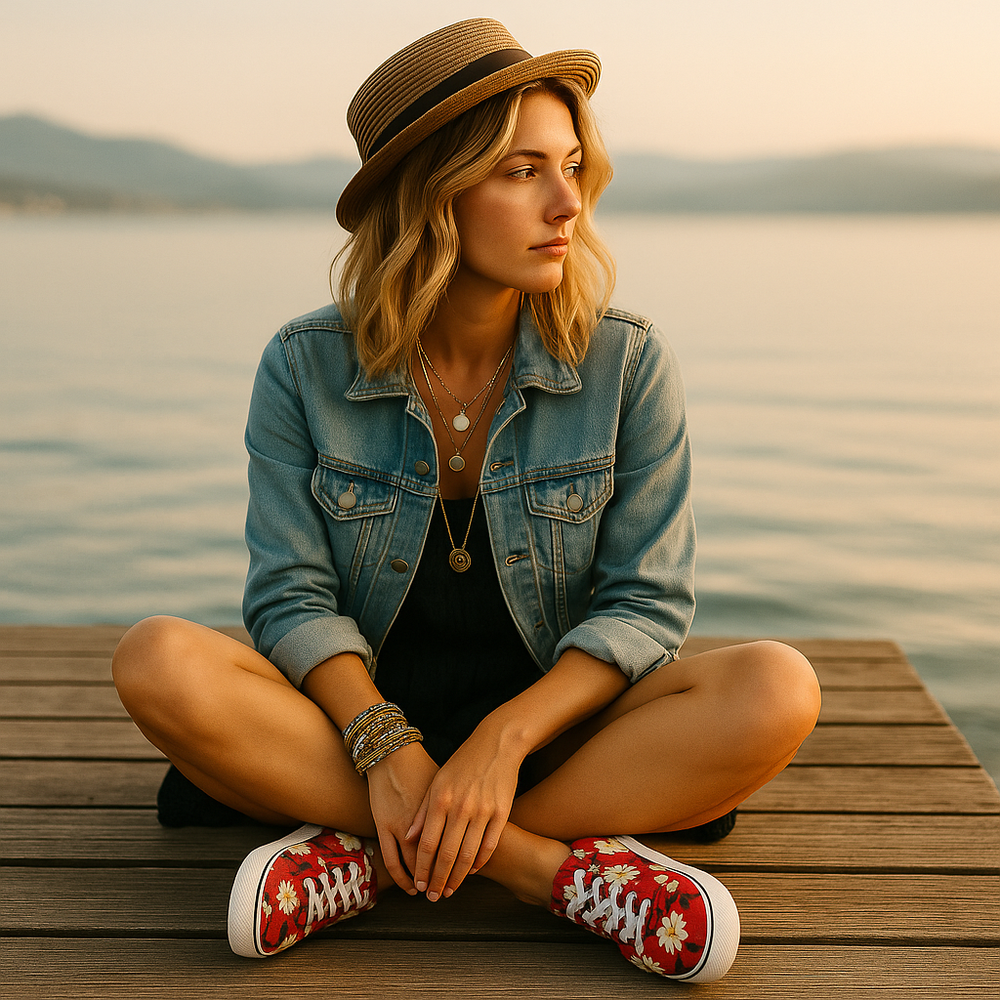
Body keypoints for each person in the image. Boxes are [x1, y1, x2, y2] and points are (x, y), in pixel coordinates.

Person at [111, 18, 821, 984]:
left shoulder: (628, 363)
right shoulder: (302, 367)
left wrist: (504, 739)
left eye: (572, 165)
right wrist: (382, 741)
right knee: (156, 658)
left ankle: (363, 862)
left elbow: (645, 607)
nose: (568, 203)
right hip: (355, 742)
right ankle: (547, 870)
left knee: (779, 686)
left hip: (558, 744)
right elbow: (291, 600)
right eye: (523, 170)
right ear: (432, 193)